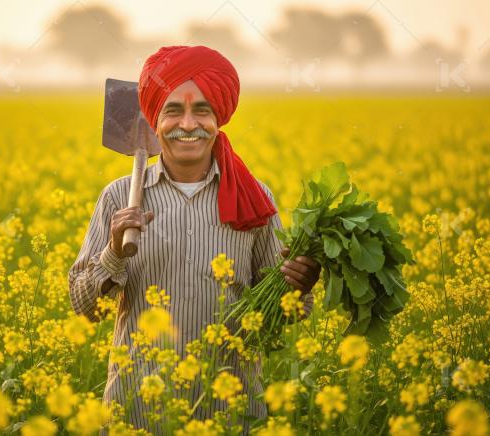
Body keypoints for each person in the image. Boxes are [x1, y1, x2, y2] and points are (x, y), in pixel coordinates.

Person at [68, 45, 321, 434]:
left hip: (228, 413)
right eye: (173, 110)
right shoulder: (119, 198)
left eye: (202, 109)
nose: (188, 123)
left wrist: (296, 287)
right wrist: (114, 253)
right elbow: (85, 309)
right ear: (153, 120)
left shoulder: (255, 199)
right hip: (137, 413)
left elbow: (282, 316)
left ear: (219, 117)